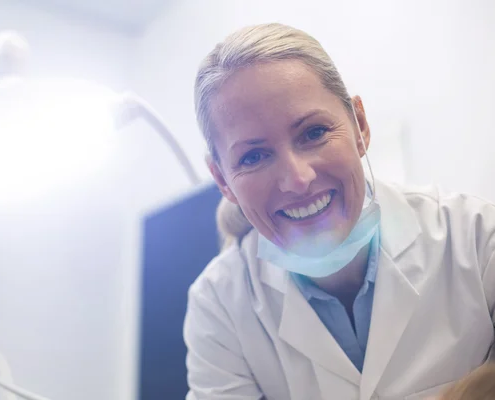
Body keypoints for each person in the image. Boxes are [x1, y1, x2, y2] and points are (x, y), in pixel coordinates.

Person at [183, 23, 495, 400]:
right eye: (254, 156)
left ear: (359, 125)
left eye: (313, 133)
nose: (298, 180)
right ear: (223, 180)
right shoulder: (220, 304)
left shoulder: (477, 240)